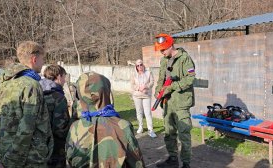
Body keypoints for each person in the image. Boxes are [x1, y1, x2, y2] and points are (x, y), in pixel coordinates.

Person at [0, 41, 53, 168]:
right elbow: (27, 128)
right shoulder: (31, 85)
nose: (43, 64)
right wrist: (11, 161)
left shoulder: (6, 82)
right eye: (42, 59)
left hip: (6, 149)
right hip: (28, 157)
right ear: (34, 59)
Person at [66, 71, 145, 168]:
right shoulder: (123, 126)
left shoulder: (75, 128)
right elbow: (137, 163)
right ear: (106, 91)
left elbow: (69, 159)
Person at [154, 33, 195, 168]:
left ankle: (186, 163)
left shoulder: (185, 58)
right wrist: (158, 90)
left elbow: (190, 79)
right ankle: (173, 159)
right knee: (169, 132)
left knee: (184, 133)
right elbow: (161, 78)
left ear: (171, 46)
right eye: (160, 50)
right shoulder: (164, 60)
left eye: (163, 49)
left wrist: (171, 87)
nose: (162, 52)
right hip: (167, 103)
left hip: (181, 102)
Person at [40, 64, 70, 168]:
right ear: (58, 76)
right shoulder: (58, 97)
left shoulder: (38, 92)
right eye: (64, 77)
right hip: (56, 147)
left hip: (39, 145)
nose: (65, 81)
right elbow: (60, 128)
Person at [131, 59, 157, 138]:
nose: (139, 67)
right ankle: (140, 127)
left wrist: (146, 86)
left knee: (147, 112)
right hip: (137, 95)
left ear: (143, 65)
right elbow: (132, 85)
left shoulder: (148, 72)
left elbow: (152, 82)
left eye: (141, 64)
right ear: (136, 67)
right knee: (139, 112)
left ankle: (150, 129)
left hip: (146, 95)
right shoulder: (134, 74)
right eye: (138, 65)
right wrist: (138, 88)